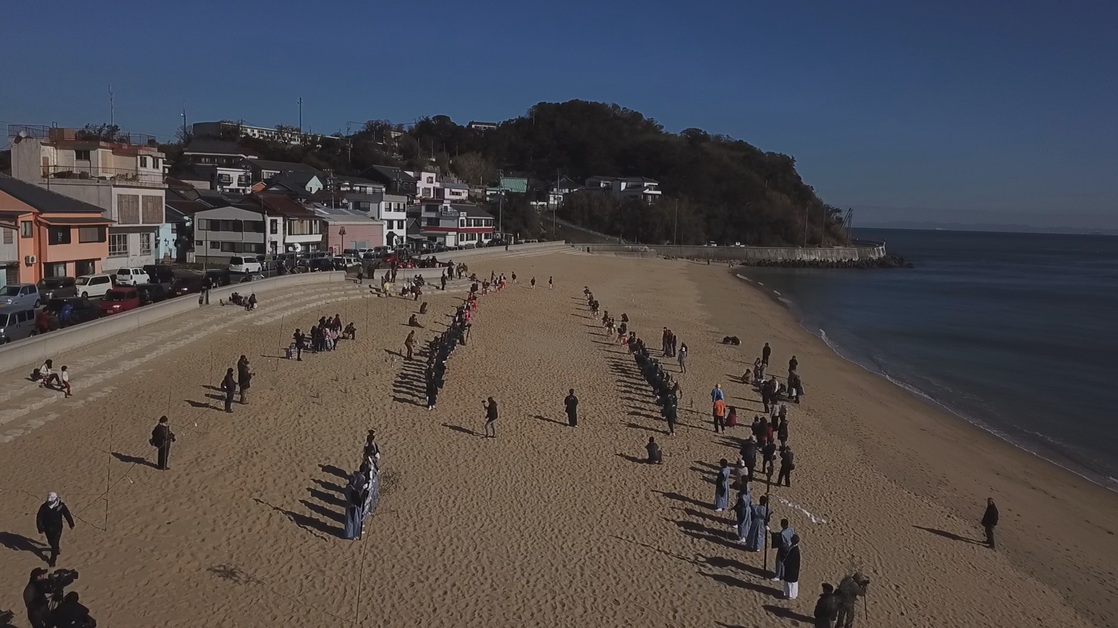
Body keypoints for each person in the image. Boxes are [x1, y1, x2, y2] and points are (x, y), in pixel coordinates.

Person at [36, 492, 74, 567]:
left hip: (58, 527)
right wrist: (40, 528)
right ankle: (56, 548)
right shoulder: (44, 507)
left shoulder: (61, 506)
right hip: (47, 527)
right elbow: (39, 518)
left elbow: (67, 514)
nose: (50, 502)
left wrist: (71, 523)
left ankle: (52, 560)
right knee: (50, 541)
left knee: (55, 544)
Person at [344, 470, 367, 540]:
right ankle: (353, 535)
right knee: (354, 521)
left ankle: (349, 534)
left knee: (349, 521)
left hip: (348, 505)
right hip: (353, 506)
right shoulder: (352, 490)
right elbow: (357, 497)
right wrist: (363, 489)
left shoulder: (347, 487)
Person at [781, 534, 802, 600]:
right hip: (792, 568)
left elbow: (790, 559)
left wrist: (785, 562)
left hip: (792, 569)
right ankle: (789, 594)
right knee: (790, 582)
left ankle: (790, 595)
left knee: (791, 583)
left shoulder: (794, 550)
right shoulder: (793, 548)